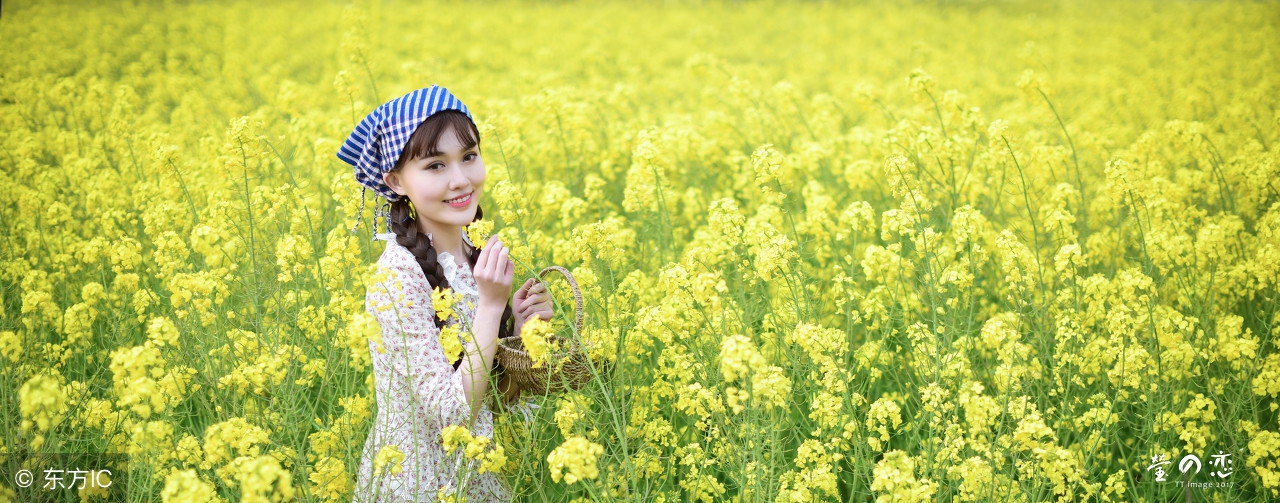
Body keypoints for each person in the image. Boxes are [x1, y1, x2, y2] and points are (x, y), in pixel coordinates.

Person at [336, 86, 553, 502]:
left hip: (478, 478)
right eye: (435, 165)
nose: (460, 179)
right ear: (396, 181)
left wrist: (522, 337)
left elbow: (496, 404)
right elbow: (452, 415)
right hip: (418, 483)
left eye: (469, 156)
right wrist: (491, 306)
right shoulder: (397, 277)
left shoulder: (473, 257)